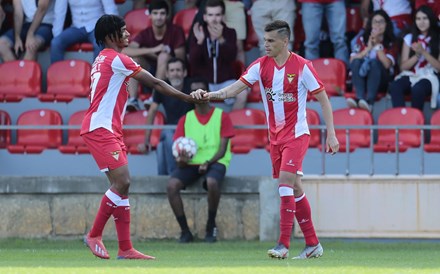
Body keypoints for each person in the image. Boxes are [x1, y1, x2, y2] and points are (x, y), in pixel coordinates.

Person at [190, 20, 339, 259]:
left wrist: (331, 133)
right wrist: (209, 95)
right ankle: (312, 244)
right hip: (275, 139)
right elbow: (233, 90)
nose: (265, 44)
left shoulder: (302, 66)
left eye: (270, 41)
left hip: (297, 135)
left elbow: (323, 99)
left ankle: (283, 244)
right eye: (264, 40)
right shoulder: (260, 66)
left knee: (284, 185)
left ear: (284, 41)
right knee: (295, 189)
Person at [80, 14, 198, 260]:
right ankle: (94, 234)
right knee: (122, 182)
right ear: (110, 36)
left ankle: (125, 248)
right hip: (101, 128)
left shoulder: (102, 59)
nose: (128, 35)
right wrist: (187, 98)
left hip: (107, 128)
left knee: (123, 186)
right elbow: (155, 82)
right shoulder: (116, 59)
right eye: (123, 31)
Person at [168, 77, 234, 243]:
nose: (197, 95)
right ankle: (185, 232)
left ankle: (210, 226)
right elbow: (178, 152)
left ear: (208, 94)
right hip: (192, 163)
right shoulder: (186, 119)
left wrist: (208, 163)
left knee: (212, 182)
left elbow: (223, 149)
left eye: (201, 91)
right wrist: (181, 160)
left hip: (216, 162)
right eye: (194, 93)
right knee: (171, 186)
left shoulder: (222, 116)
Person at [123, 0, 186, 111]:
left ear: (167, 16)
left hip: (169, 76)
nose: (159, 17)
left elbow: (180, 59)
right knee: (133, 59)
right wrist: (153, 50)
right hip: (148, 73)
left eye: (162, 13)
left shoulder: (176, 31)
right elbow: (125, 51)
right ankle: (133, 100)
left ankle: (154, 97)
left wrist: (161, 56)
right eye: (155, 13)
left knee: (163, 57)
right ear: (150, 15)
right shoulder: (145, 33)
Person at [137, 57, 194, 175]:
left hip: (190, 130)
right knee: (168, 135)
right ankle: (174, 174)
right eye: (172, 71)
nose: (175, 73)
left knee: (161, 146)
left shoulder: (192, 87)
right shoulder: (162, 88)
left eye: (178, 70)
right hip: (171, 129)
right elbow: (152, 111)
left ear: (185, 73)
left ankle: (167, 177)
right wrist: (146, 141)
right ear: (167, 74)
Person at [188, 0, 247, 111]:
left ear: (223, 16)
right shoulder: (198, 32)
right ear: (205, 17)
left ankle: (230, 123)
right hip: (204, 82)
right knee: (192, 91)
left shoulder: (230, 33)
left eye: (217, 15)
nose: (214, 19)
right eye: (210, 15)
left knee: (242, 93)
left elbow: (231, 57)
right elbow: (193, 62)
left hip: (226, 81)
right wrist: (200, 42)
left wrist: (221, 39)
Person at [389, 5, 440, 111]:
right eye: (418, 19)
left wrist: (423, 52)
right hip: (412, 73)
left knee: (418, 88)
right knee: (395, 86)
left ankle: (416, 123)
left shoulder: (438, 38)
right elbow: (403, 67)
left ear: (430, 19)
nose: (421, 22)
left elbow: (438, 67)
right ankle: (401, 120)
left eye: (425, 18)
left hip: (430, 75)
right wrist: (417, 55)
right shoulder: (409, 38)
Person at [347, 10, 397, 112]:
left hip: (382, 81)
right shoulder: (362, 39)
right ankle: (360, 98)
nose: (378, 24)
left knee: (374, 63)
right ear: (370, 24)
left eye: (381, 22)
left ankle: (370, 102)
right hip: (362, 80)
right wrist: (368, 48)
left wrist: (377, 46)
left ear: (387, 24)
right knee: (356, 62)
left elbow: (387, 64)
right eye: (375, 22)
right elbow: (352, 60)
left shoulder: (391, 41)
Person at [50, 0, 118, 64]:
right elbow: (59, 12)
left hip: (97, 26)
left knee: (99, 42)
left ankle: (98, 75)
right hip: (76, 27)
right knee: (56, 42)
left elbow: (110, 9)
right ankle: (57, 75)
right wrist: (57, 35)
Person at [299, 0, 349, 66]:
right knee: (311, 43)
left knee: (340, 41)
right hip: (310, 1)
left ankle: (343, 73)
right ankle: (310, 74)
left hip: (336, 1)